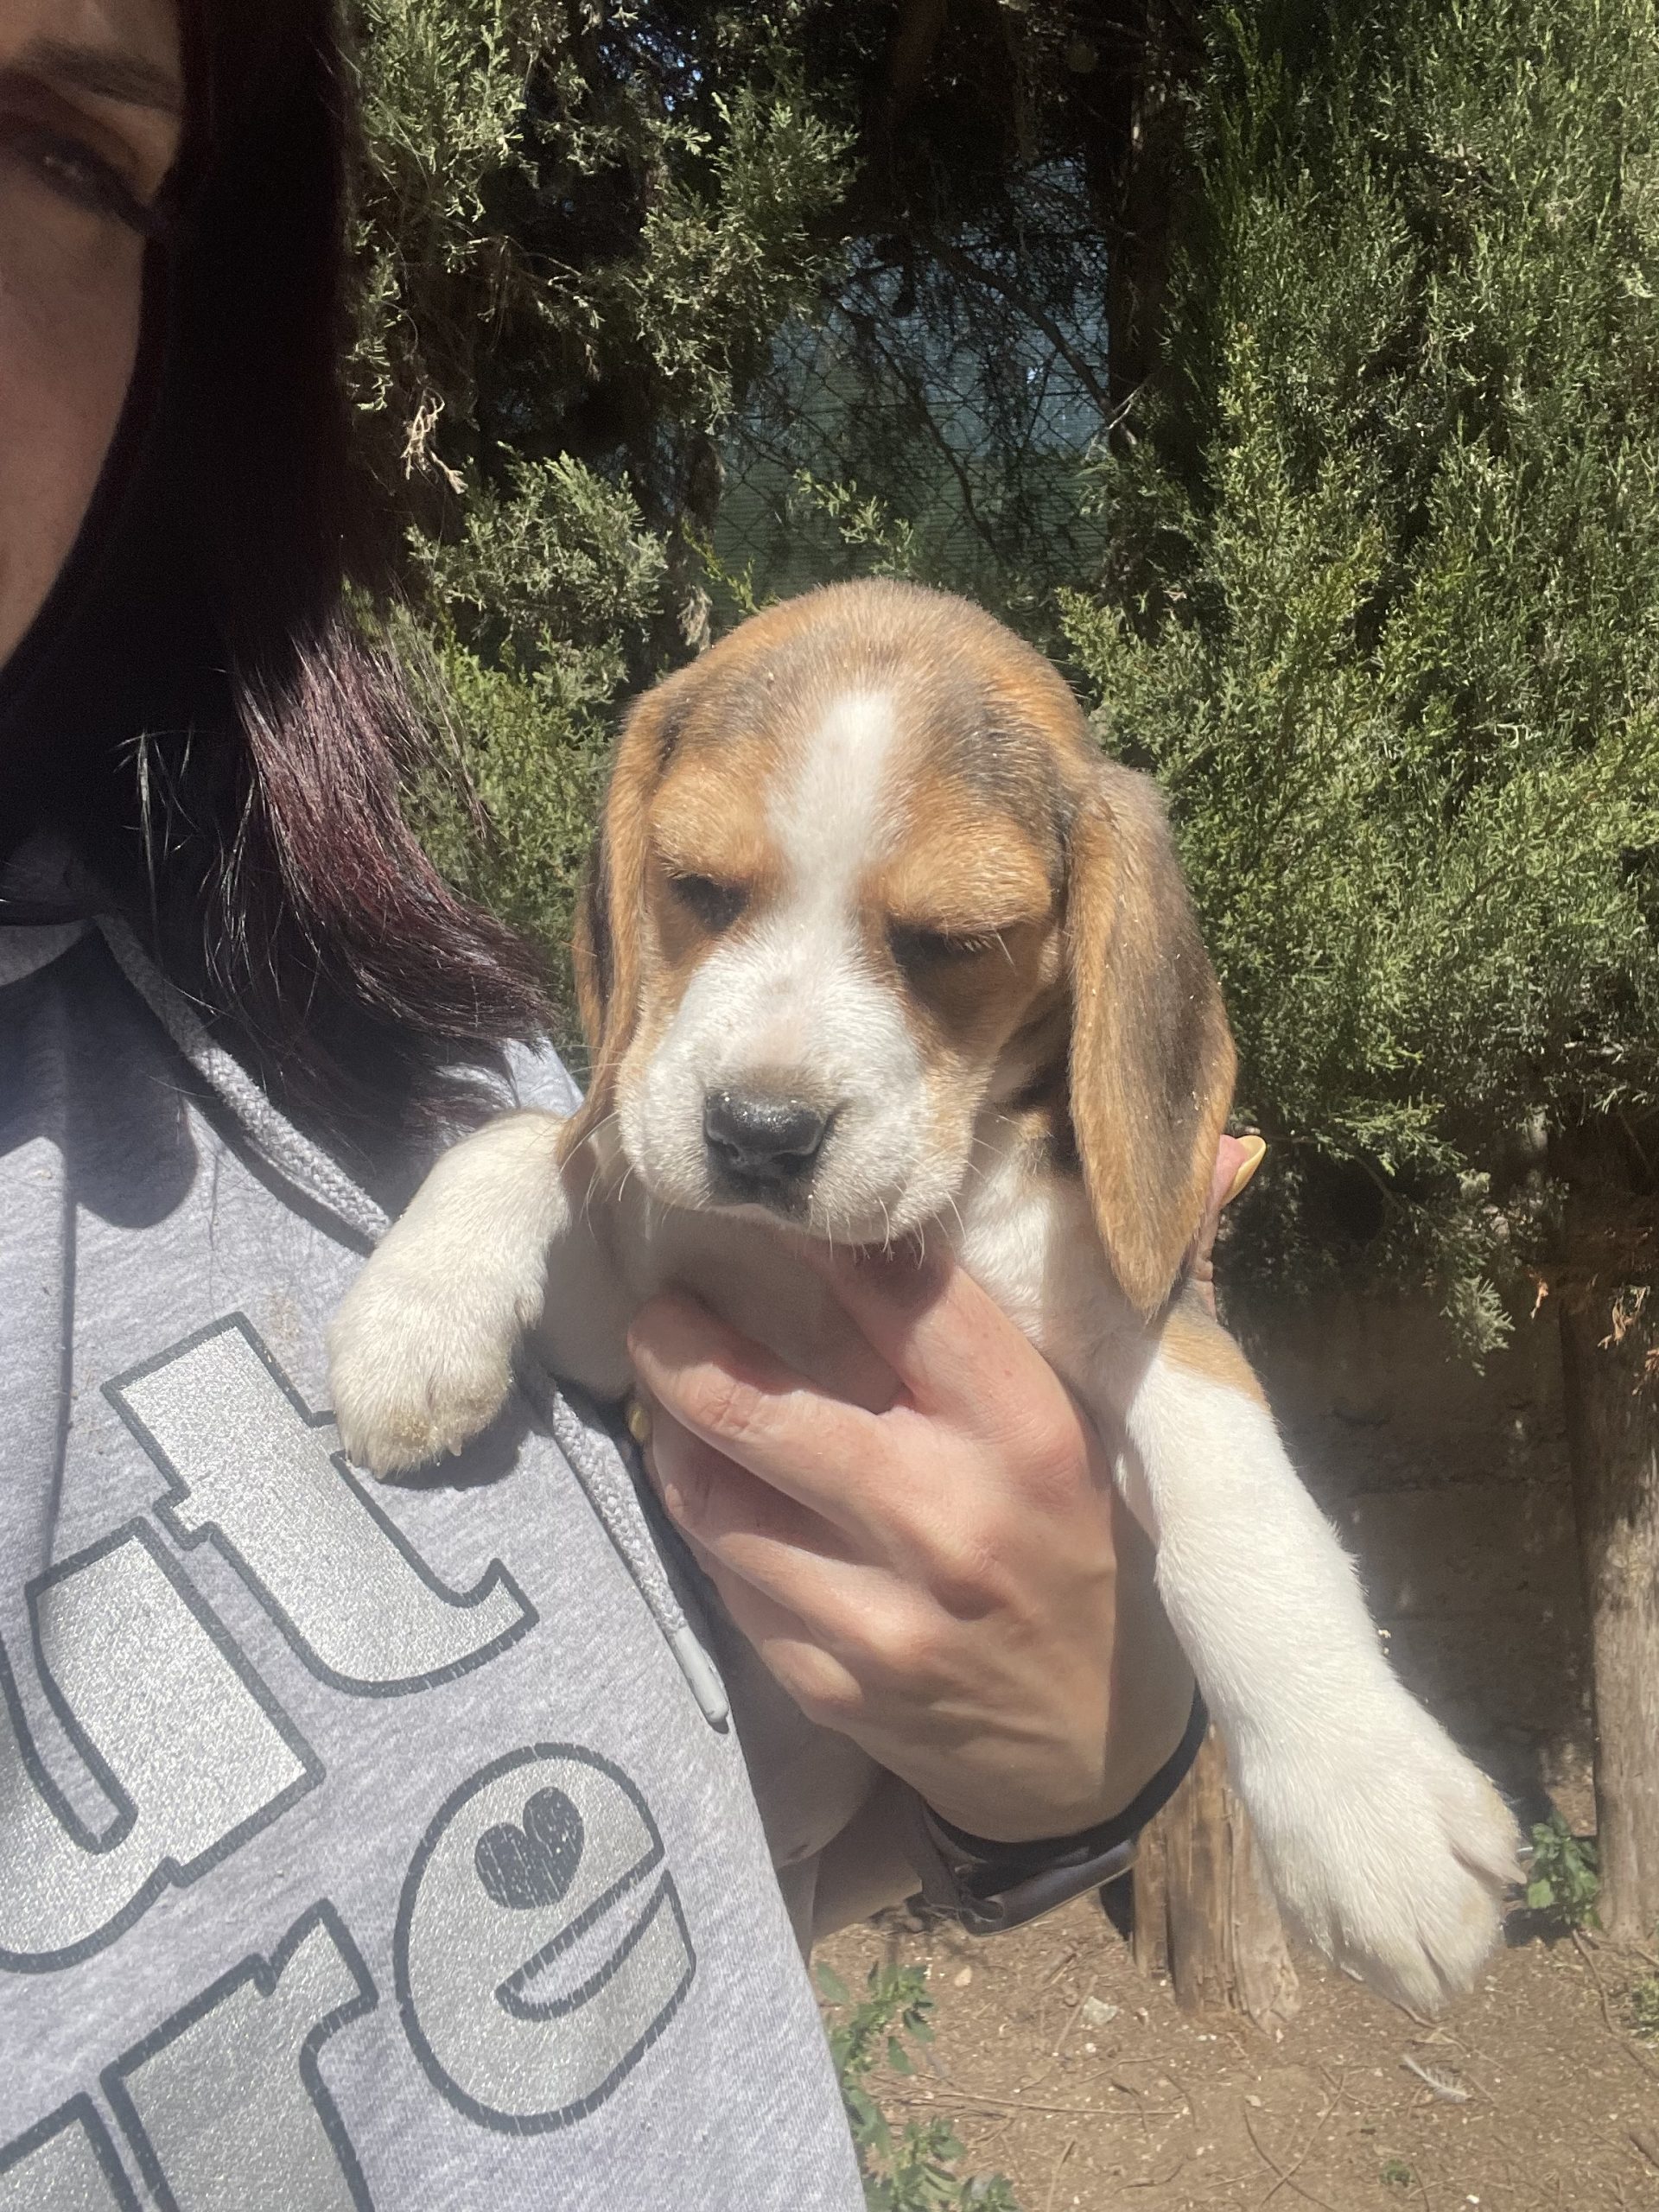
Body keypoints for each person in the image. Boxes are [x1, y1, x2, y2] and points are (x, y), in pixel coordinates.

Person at [0, 1, 1252, 2202]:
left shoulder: (349, 1017)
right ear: (642, 853)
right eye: (705, 893)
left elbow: (696, 1887)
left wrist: (1087, 1761)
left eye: (59, 152)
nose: (773, 1045)